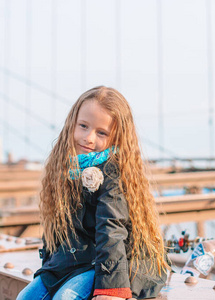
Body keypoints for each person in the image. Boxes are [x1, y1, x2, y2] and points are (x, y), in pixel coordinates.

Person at [17, 86, 169, 300]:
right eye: (83, 126)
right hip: (81, 260)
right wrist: (49, 267)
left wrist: (111, 289)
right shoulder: (65, 166)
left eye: (101, 133)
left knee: (65, 297)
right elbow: (58, 229)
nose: (88, 138)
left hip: (120, 263)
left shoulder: (113, 171)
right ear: (72, 123)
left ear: (116, 137)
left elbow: (111, 229)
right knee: (26, 297)